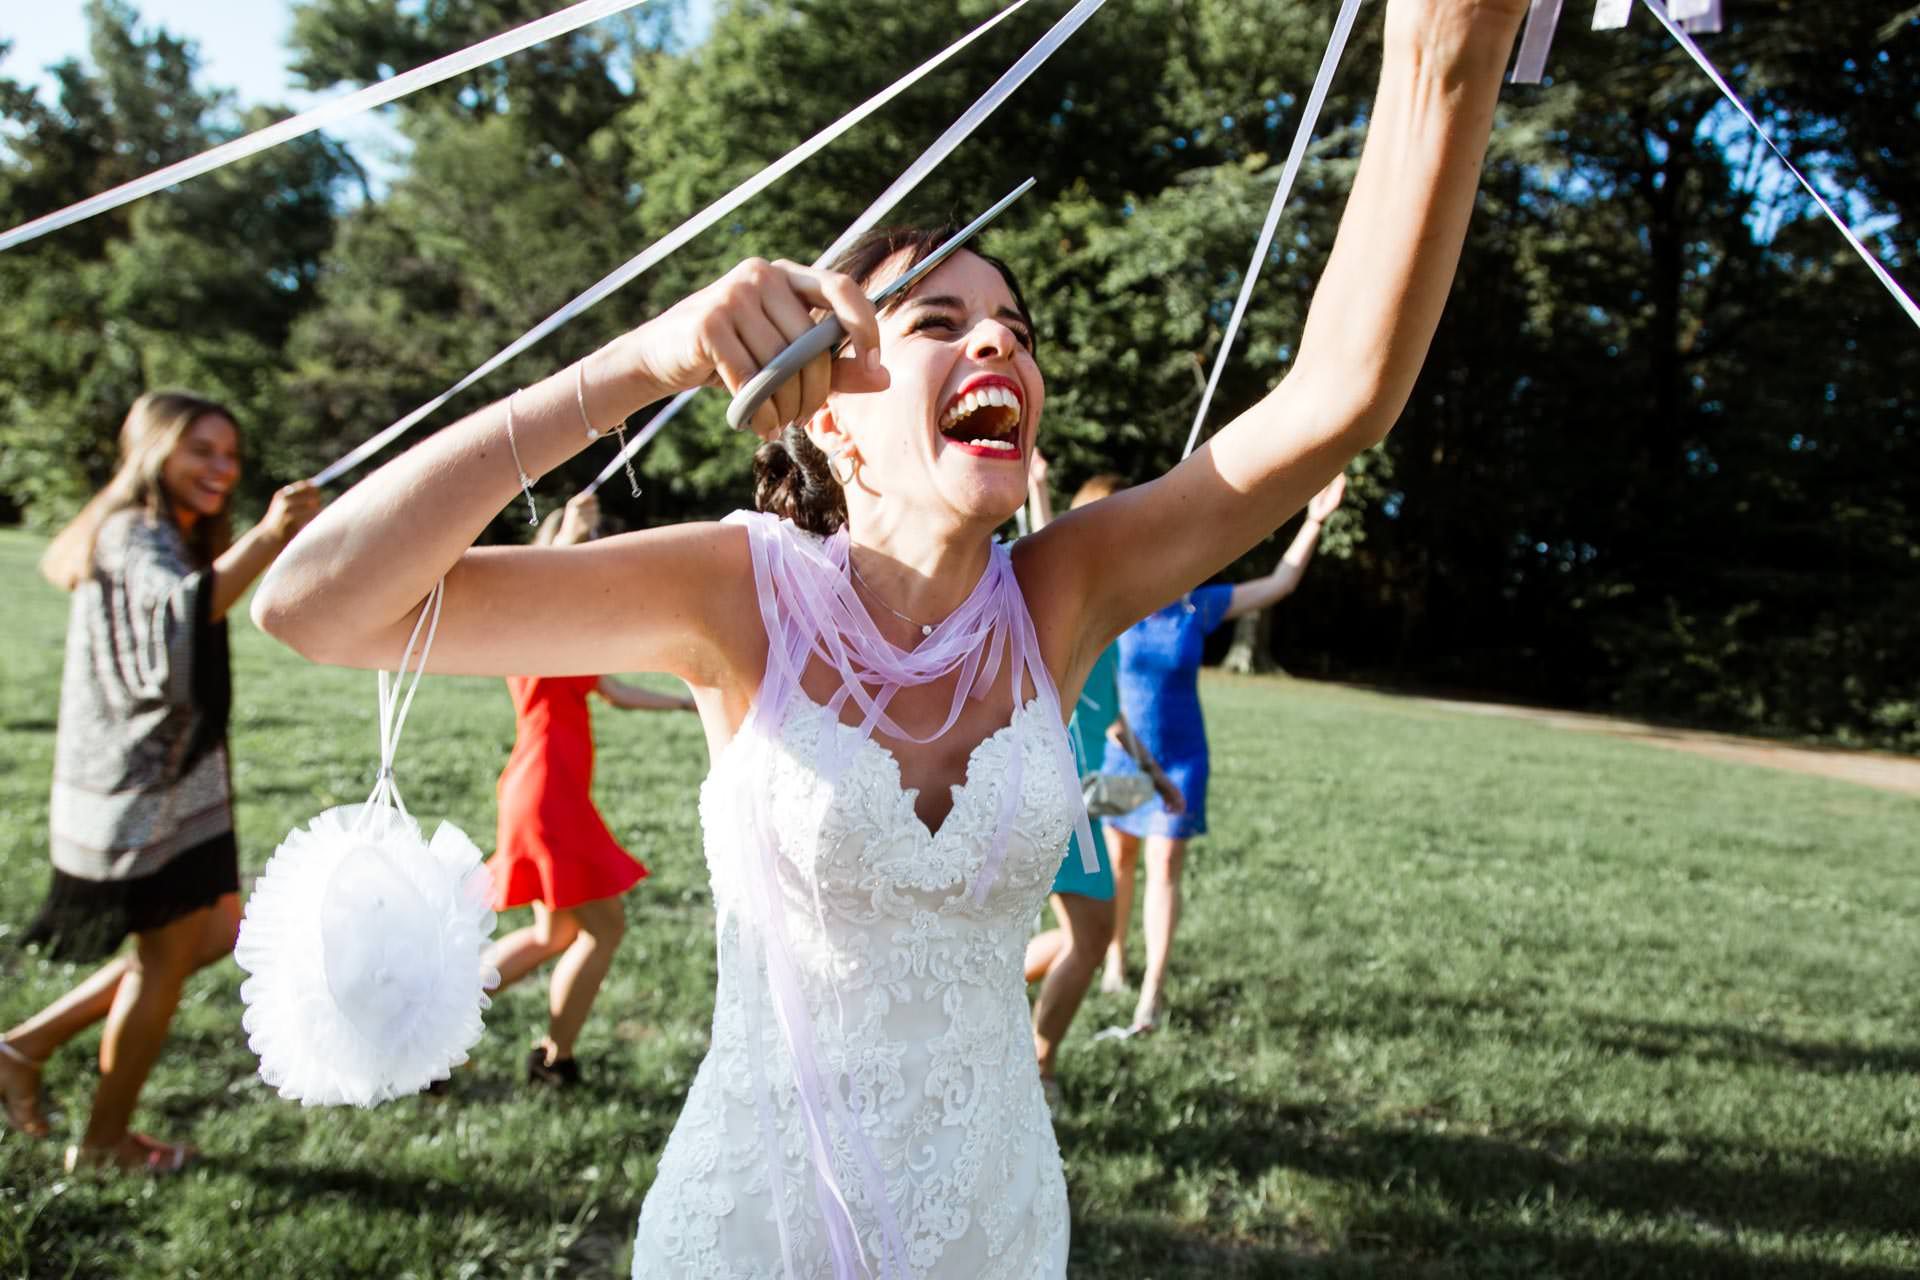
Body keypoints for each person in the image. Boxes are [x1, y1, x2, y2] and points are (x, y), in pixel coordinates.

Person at [249, 3, 1526, 1271]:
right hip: (756, 1232)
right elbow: (317, 603)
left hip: (993, 1226)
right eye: (939, 321)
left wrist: (1444, 52)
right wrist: (644, 359)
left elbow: (1339, 396)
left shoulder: (1061, 595)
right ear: (825, 420)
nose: (998, 343)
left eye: (1017, 332)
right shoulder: (737, 594)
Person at [0, 391, 320, 1174]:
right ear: (155, 451)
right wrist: (270, 535)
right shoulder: (131, 533)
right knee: (162, 960)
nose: (222, 468)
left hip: (172, 785)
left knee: (213, 933)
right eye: (202, 450)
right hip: (138, 792)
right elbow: (180, 614)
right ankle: (104, 1142)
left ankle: (21, 1046)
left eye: (230, 455)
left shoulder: (161, 531)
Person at [1097, 473, 1347, 1038]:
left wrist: (1314, 520)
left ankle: (1152, 995)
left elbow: (1280, 583)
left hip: (1182, 756)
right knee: (1121, 863)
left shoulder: (1197, 607)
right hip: (1122, 757)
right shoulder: (1117, 601)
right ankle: (1114, 959)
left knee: (1163, 865)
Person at [484, 492, 696, 1088]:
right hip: (546, 791)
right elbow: (536, 583)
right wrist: (568, 537)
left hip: (547, 788)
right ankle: (556, 1058)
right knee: (605, 928)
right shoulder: (529, 625)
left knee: (557, 934)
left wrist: (686, 702)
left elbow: (618, 691)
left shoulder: (562, 637)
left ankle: (431, 1024)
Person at [1020, 467, 1182, 1108]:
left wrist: (1155, 775)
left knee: (1078, 938)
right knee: (1090, 940)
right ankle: (1039, 1068)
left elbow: (1111, 717)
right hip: (1048, 790)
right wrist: (1037, 490)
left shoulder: (1110, 628)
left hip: (1084, 793)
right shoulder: (1064, 599)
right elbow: (1046, 545)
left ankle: (987, 993)